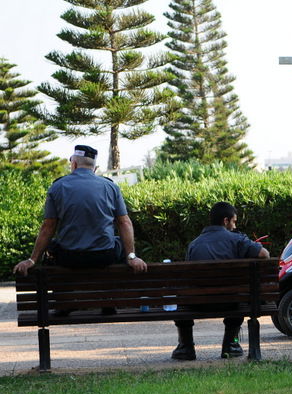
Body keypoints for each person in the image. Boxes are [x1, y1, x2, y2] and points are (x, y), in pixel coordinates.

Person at [12, 145, 147, 277]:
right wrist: (131, 257)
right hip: (104, 257)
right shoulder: (111, 187)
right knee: (117, 242)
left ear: (74, 164)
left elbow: (48, 227)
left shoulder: (57, 187)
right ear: (95, 168)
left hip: (69, 259)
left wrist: (32, 260)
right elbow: (124, 223)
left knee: (53, 246)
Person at [171, 201, 269, 361]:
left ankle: (185, 348)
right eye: (234, 221)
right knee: (239, 297)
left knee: (182, 302)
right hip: (230, 302)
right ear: (226, 221)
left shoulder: (194, 244)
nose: (235, 225)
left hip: (198, 303)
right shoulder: (237, 240)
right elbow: (264, 254)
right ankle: (231, 345)